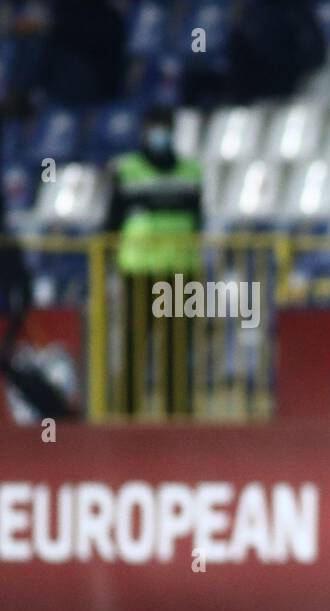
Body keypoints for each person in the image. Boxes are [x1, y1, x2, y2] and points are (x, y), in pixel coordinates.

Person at [106, 104, 203, 416]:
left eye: (164, 127)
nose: (159, 134)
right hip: (138, 269)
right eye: (154, 127)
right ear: (145, 131)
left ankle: (177, 411)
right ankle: (129, 410)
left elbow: (198, 219)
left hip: (180, 271)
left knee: (177, 345)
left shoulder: (191, 172)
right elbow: (112, 221)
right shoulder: (127, 170)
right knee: (135, 341)